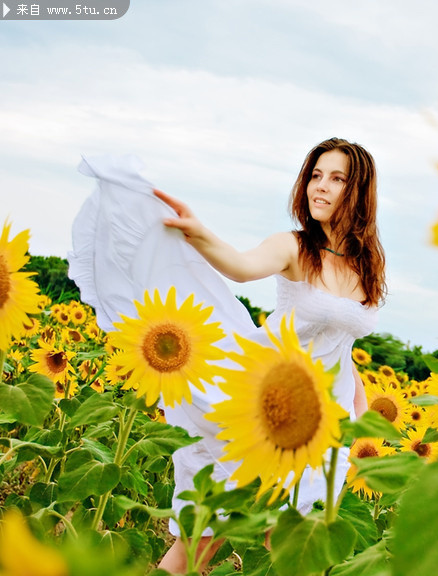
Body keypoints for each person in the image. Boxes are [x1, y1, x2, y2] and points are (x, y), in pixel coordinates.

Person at [68, 137, 386, 573]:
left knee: (291, 545)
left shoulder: (366, 265)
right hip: (264, 401)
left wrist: (360, 411)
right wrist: (200, 233)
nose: (321, 187)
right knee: (208, 534)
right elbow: (240, 265)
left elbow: (342, 344)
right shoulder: (295, 247)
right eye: (315, 176)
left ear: (359, 191)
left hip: (319, 420)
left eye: (336, 179)